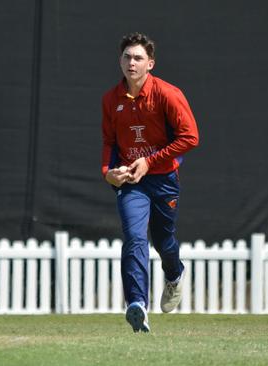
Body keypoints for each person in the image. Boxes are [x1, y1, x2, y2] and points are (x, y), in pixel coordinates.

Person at [101, 32, 199, 332]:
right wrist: (108, 170)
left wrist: (151, 160)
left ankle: (174, 274)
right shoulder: (111, 99)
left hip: (164, 179)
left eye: (138, 58)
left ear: (150, 64)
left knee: (163, 240)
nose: (132, 62)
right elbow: (109, 142)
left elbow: (190, 137)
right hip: (132, 181)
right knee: (134, 237)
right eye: (127, 57)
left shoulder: (168, 94)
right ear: (120, 61)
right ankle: (137, 305)